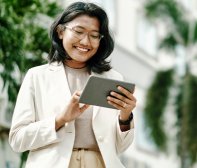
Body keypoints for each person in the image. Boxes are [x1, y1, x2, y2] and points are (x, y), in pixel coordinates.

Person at [9, 2, 136, 168]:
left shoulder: (112, 79)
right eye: (78, 31)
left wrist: (125, 116)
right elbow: (17, 140)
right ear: (61, 31)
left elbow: (120, 147)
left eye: (94, 35)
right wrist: (61, 119)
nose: (85, 41)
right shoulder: (37, 76)